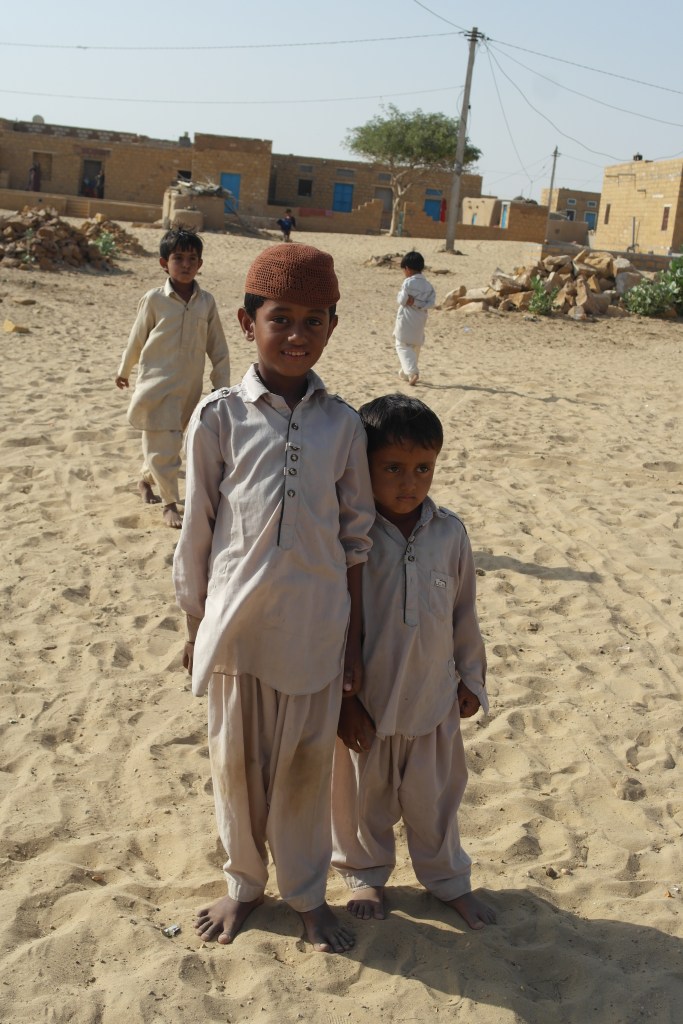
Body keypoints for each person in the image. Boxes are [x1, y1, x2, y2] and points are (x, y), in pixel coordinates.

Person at [172, 243, 376, 953]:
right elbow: (196, 529)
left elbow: (356, 541)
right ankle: (242, 885)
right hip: (236, 629)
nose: (296, 335)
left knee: (302, 769)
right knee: (234, 765)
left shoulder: (342, 425)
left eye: (313, 321)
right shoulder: (219, 415)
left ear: (332, 327)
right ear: (246, 321)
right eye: (280, 319)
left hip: (317, 633)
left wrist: (353, 646)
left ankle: (306, 894)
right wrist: (194, 623)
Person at [331, 394, 496, 930]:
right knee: (363, 802)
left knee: (437, 802)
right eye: (393, 468)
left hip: (432, 701)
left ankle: (448, 881)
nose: (410, 482)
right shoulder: (350, 536)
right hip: (368, 705)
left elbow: (464, 613)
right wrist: (345, 701)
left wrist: (471, 678)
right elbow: (335, 622)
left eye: (423, 468)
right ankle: (366, 874)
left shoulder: (450, 532)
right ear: (365, 466)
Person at [115, 228, 229, 528]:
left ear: (200, 264)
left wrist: (222, 383)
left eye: (192, 258)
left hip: (190, 390)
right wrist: (124, 370)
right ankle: (169, 504)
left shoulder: (206, 302)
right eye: (179, 258)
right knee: (162, 443)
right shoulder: (154, 299)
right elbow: (136, 337)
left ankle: (145, 479)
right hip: (156, 386)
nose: (186, 264)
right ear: (164, 263)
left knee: (172, 441)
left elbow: (218, 346)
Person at [393, 250, 436, 387]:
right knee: (415, 347)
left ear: (407, 269)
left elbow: (402, 299)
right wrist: (418, 304)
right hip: (420, 319)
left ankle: (413, 373)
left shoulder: (408, 283)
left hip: (406, 319)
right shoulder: (428, 286)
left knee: (402, 345)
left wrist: (410, 301)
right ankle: (405, 374)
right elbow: (431, 303)